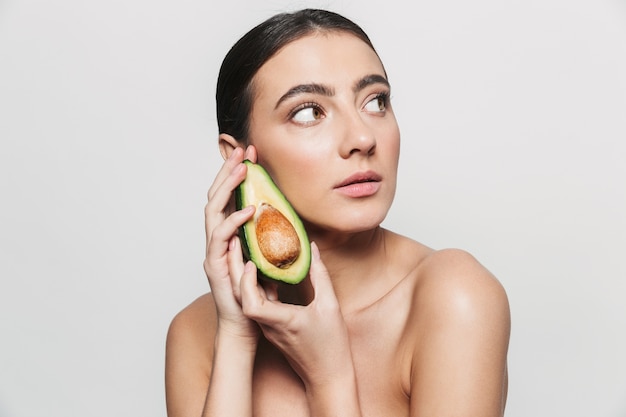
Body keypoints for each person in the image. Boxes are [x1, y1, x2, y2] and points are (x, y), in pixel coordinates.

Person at [165, 8, 510, 417]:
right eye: (309, 111)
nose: (362, 138)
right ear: (237, 157)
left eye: (375, 101)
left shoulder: (454, 297)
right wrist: (237, 338)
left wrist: (329, 378)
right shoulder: (197, 332)